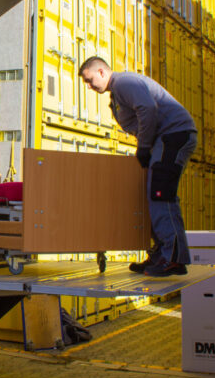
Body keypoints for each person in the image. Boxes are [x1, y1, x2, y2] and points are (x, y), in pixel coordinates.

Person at [78, 57, 197, 277]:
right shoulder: (117, 93)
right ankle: (161, 252)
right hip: (164, 140)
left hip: (173, 136)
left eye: (90, 80)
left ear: (102, 72)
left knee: (161, 195)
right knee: (152, 194)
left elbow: (147, 109)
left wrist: (143, 147)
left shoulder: (124, 83)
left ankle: (173, 259)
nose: (89, 86)